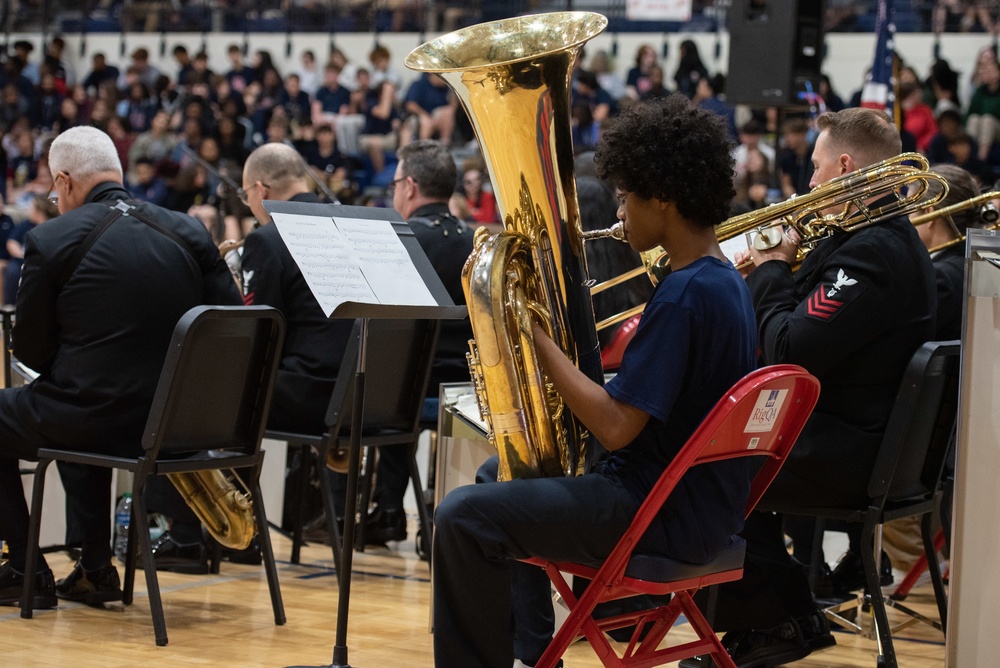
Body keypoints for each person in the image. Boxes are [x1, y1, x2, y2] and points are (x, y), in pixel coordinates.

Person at [433, 94, 757, 668]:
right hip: (700, 509)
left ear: (663, 197)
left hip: (654, 512)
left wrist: (533, 334)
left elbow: (614, 428)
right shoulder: (722, 280)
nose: (620, 213)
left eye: (627, 197)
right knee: (499, 472)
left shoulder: (684, 296)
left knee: (462, 515)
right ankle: (536, 654)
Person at [690, 106, 938, 667]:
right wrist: (772, 273)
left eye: (817, 168)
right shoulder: (870, 240)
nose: (808, 185)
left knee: (704, 464)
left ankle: (777, 621)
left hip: (848, 451)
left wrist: (775, 268)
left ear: (846, 167)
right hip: (851, 439)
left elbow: (788, 349)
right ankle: (784, 615)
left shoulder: (874, 252)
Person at [0, 126, 240, 609]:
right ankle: (93, 570)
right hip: (177, 428)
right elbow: (233, 325)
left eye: (53, 188)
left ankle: (26, 567)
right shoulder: (189, 230)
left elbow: (32, 351)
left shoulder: (50, 239)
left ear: (65, 182)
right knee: (78, 399)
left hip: (93, 422)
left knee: (67, 403)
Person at [374, 139, 474, 545]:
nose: (395, 191)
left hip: (410, 392)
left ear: (410, 186)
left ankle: (385, 511)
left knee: (382, 379)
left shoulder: (401, 238)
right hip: (466, 386)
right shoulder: (476, 240)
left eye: (395, 182)